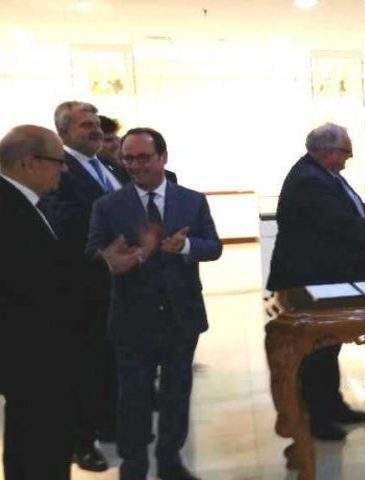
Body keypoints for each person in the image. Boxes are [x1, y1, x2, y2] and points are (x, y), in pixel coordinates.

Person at [86, 127, 222, 480]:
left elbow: (213, 246)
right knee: (133, 398)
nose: (134, 165)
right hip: (132, 318)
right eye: (128, 158)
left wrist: (186, 247)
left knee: (177, 394)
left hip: (181, 315)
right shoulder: (108, 205)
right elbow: (93, 252)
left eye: (143, 158)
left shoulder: (191, 200)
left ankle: (170, 461)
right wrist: (112, 259)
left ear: (163, 157)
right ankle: (133, 466)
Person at [267, 123, 365, 441]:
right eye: (346, 152)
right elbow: (337, 224)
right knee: (315, 350)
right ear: (327, 151)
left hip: (329, 278)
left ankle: (332, 404)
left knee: (329, 344)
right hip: (312, 280)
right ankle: (316, 417)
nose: (348, 158)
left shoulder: (324, 174)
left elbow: (340, 213)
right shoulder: (309, 180)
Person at [0, 125, 75, 480]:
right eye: (58, 161)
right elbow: (36, 282)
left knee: (31, 439)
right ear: (30, 162)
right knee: (40, 444)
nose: (64, 169)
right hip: (31, 353)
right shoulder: (8, 208)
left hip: (32, 354)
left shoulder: (21, 202)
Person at [50, 100, 121, 471]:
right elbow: (65, 223)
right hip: (84, 285)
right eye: (85, 125)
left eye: (96, 124)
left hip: (115, 284)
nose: (95, 130)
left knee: (108, 360)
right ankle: (81, 442)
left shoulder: (106, 166)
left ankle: (108, 424)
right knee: (84, 366)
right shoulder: (60, 170)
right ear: (63, 132)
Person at [99, 115, 178, 185]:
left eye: (117, 138)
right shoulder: (102, 178)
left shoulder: (166, 177)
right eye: (108, 140)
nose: (117, 144)